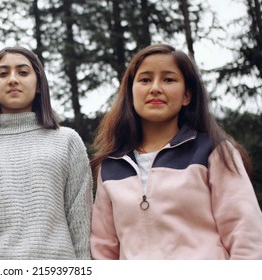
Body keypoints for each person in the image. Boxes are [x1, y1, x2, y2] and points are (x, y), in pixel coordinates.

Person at [90, 43, 262, 259]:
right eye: (144, 79)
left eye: (168, 79)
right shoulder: (111, 164)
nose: (155, 87)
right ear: (131, 92)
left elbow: (247, 234)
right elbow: (103, 249)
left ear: (186, 96)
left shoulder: (214, 152)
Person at [0, 46, 93, 259]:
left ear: (39, 84)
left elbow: (82, 229)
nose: (12, 79)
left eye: (23, 72)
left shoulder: (67, 141)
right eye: (3, 73)